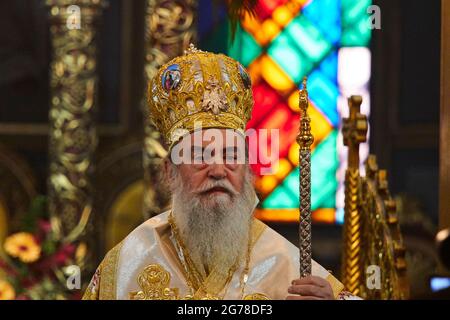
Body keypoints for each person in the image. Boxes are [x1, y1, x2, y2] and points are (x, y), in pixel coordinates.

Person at [83, 45, 358, 300]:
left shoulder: (285, 264)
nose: (217, 170)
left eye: (231, 156)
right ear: (170, 171)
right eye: (200, 156)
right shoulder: (127, 264)